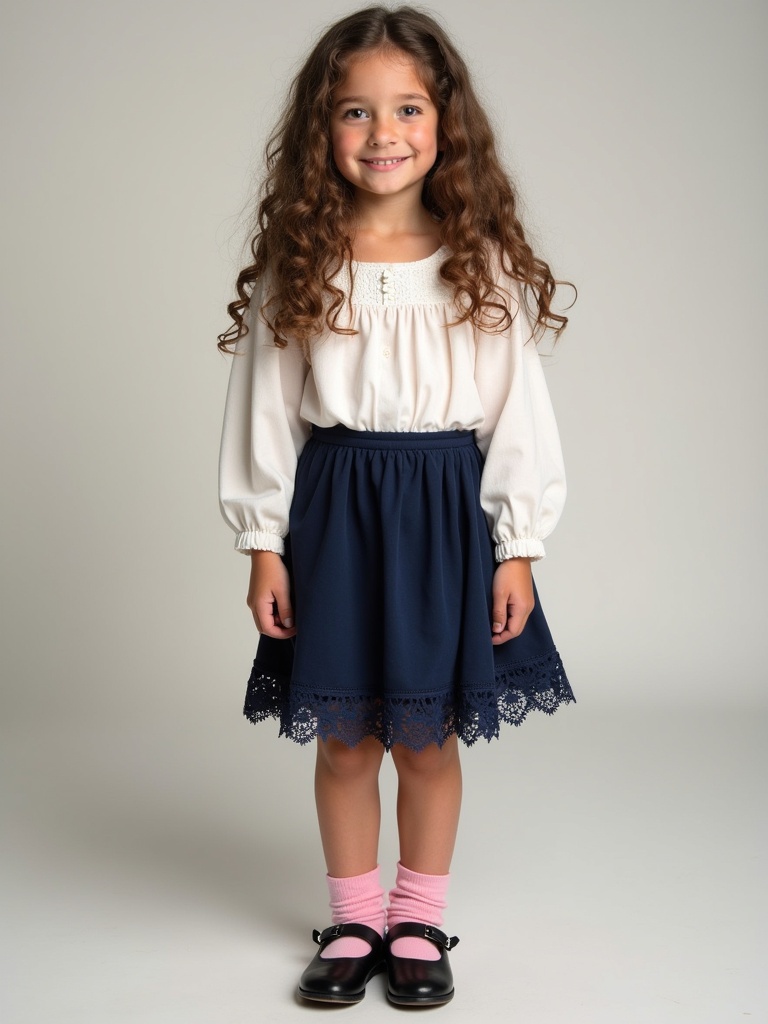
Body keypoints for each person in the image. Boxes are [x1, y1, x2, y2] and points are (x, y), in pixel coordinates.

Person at [217, 4, 576, 1008]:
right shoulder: (305, 265)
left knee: (425, 737)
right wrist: (262, 541)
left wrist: (519, 544)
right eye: (356, 112)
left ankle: (416, 919)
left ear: (445, 122)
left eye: (407, 108)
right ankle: (351, 917)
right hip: (332, 513)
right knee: (344, 736)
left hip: (443, 516)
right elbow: (262, 412)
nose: (383, 135)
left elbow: (517, 414)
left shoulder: (477, 261)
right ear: (320, 130)